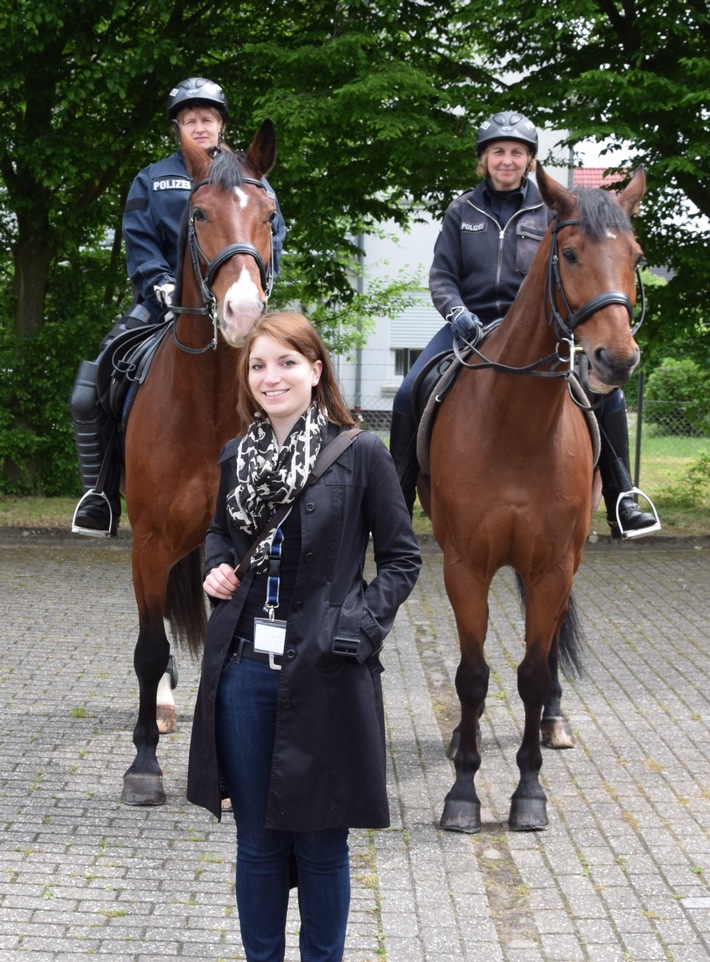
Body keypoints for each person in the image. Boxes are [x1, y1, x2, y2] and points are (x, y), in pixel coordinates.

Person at [187, 311, 421, 962]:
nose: (272, 376)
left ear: (316, 372)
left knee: (321, 842)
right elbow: (217, 535)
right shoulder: (237, 455)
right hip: (242, 673)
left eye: (287, 362)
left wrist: (359, 625)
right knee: (258, 841)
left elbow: (403, 558)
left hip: (325, 672)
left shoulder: (362, 454)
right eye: (259, 365)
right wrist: (214, 568)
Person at [390, 109, 658, 539]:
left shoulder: (552, 210)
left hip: (538, 328)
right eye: (498, 151)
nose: (507, 160)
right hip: (468, 325)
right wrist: (457, 313)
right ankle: (397, 499)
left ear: (529, 160)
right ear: (484, 159)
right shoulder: (462, 210)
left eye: (517, 152)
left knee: (608, 394)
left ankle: (623, 497)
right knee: (409, 389)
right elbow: (442, 276)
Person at [69, 77, 286, 537]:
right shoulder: (152, 178)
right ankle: (101, 494)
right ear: (178, 129)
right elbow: (139, 238)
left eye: (207, 118)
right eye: (189, 120)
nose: (199, 126)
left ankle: (295, 489)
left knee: (298, 377)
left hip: (237, 301)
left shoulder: (252, 178)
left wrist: (258, 286)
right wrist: (161, 285)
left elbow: (272, 240)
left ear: (221, 123)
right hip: (165, 306)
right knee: (89, 390)